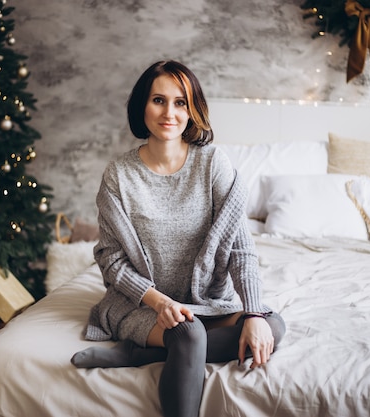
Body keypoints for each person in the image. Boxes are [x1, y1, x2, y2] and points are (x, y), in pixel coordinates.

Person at [71, 60, 285, 417]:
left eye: (180, 102)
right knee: (189, 335)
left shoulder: (213, 163)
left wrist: (252, 312)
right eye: (158, 100)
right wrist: (159, 303)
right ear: (143, 106)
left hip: (206, 300)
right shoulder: (119, 176)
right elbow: (111, 260)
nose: (169, 112)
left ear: (192, 110)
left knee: (271, 324)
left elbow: (240, 249)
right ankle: (164, 344)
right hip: (142, 306)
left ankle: (138, 355)